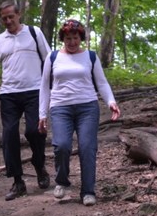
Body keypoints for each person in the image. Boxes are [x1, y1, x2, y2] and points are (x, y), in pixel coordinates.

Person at [38, 19, 121, 206]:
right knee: (61, 145)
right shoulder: (52, 57)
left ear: (81, 38)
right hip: (60, 107)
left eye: (75, 38)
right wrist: (42, 114)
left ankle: (88, 191)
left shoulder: (90, 56)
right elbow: (44, 87)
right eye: (68, 38)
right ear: (63, 39)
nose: (72, 42)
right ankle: (62, 180)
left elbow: (101, 82)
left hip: (87, 107)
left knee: (87, 147)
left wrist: (111, 101)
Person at [0, 0, 51, 201]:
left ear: (19, 14)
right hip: (9, 93)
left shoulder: (34, 33)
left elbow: (49, 58)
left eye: (11, 16)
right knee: (9, 135)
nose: (8, 21)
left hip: (34, 90)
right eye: (4, 18)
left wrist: (52, 85)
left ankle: (39, 165)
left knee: (34, 131)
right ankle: (18, 181)